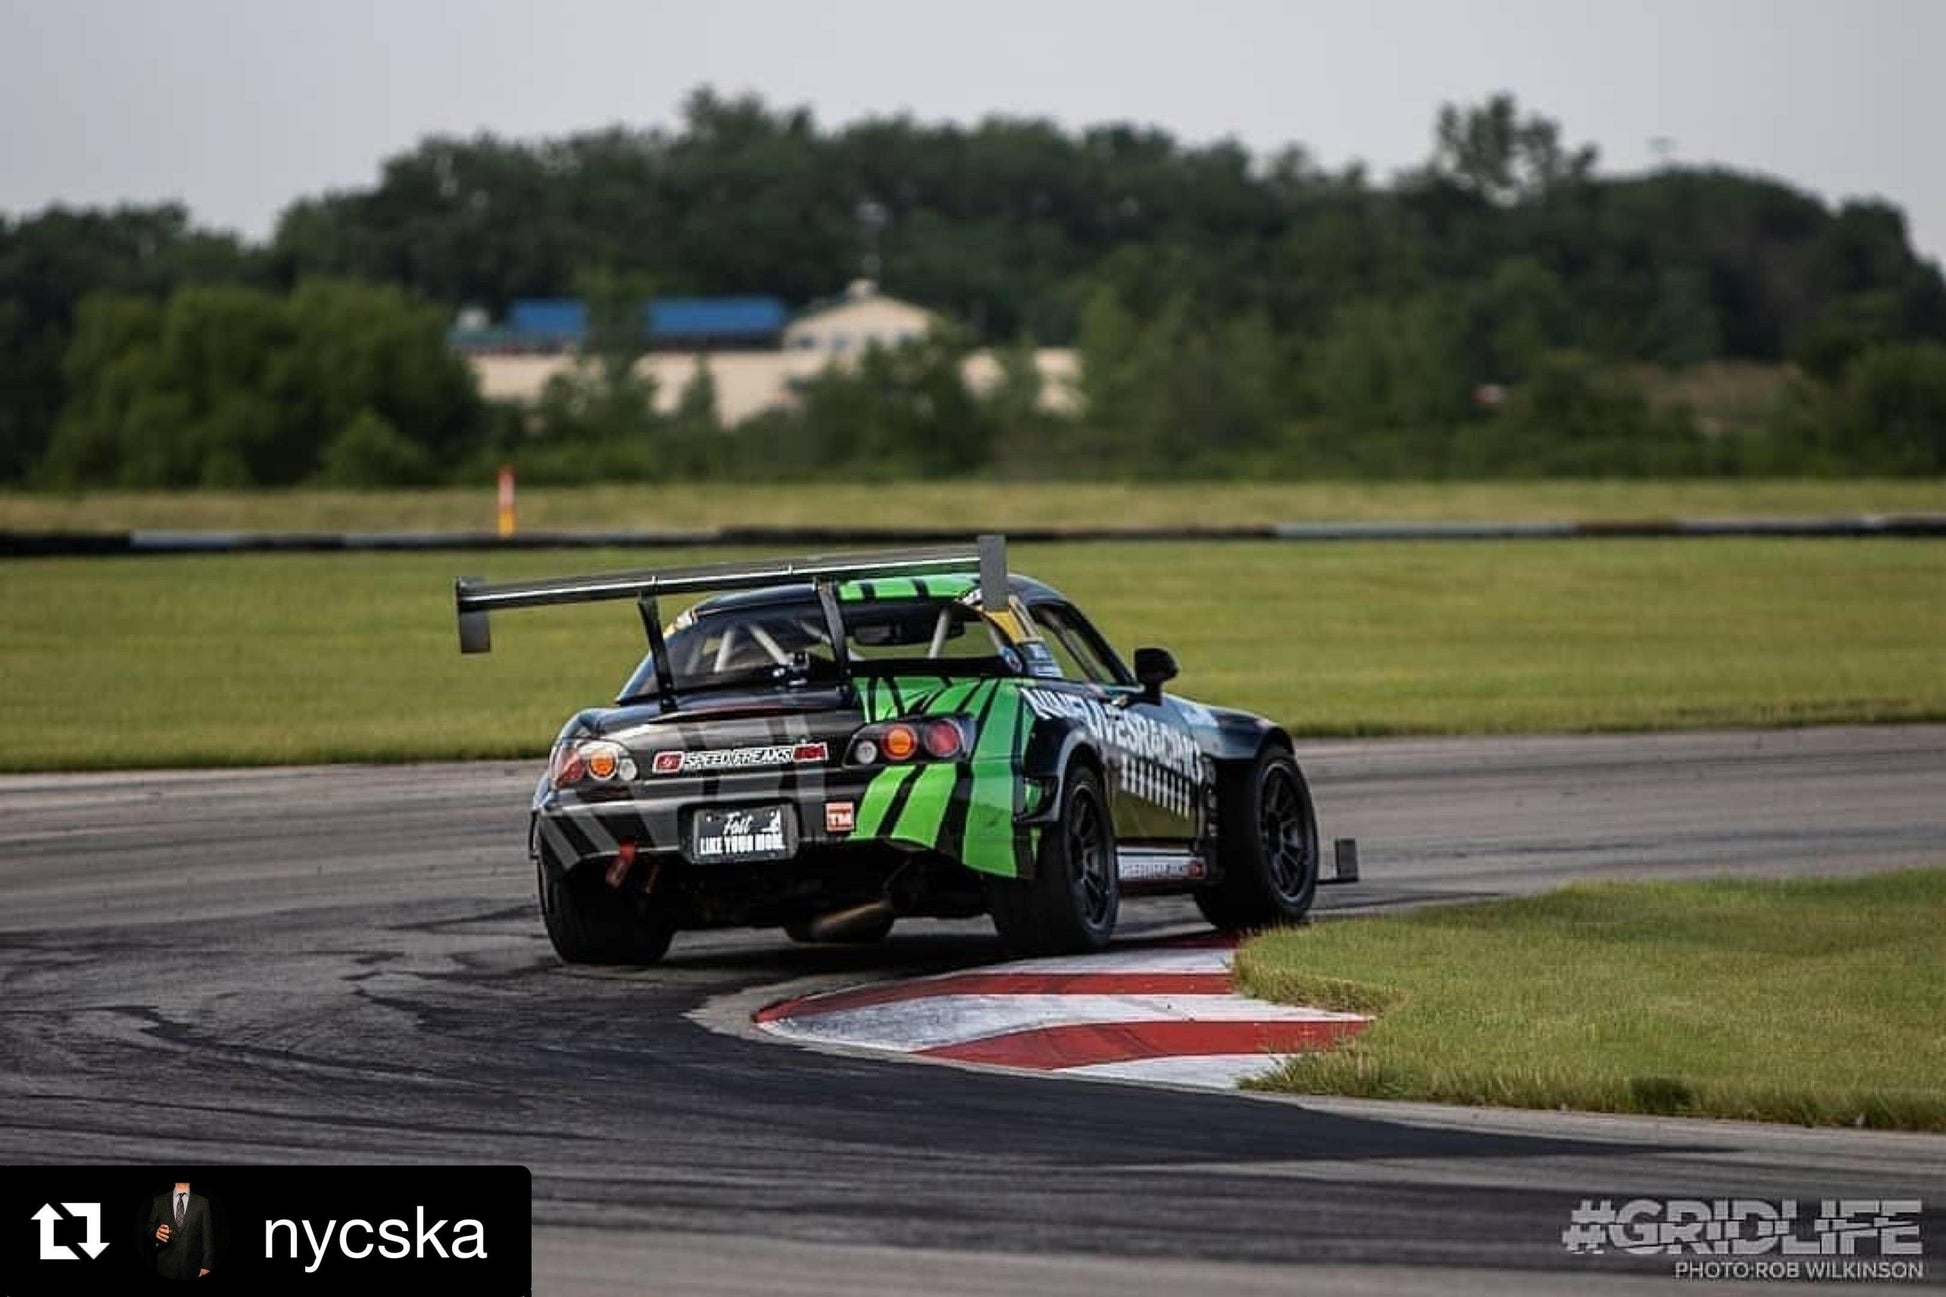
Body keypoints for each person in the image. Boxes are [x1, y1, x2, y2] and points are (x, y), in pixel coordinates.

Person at [143, 1180, 213, 1280]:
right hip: (165, 1266)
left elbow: (207, 1236)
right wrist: (155, 1232)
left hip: (193, 1267)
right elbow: (150, 1226)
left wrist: (207, 1265)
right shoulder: (159, 1200)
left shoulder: (203, 1202)